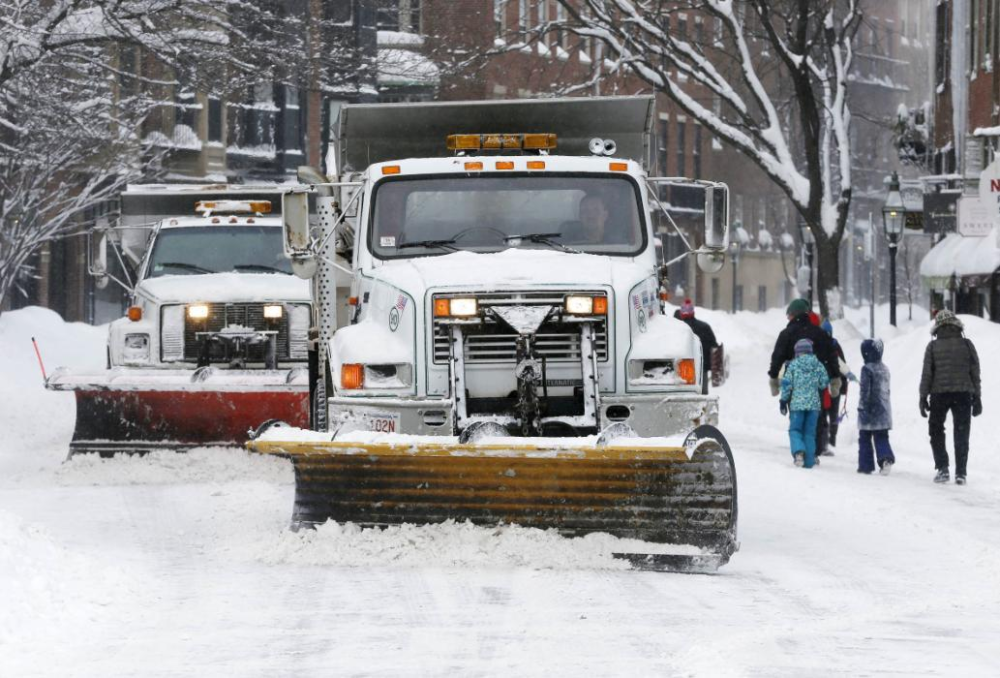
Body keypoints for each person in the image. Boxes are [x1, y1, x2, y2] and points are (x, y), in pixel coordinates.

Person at [918, 310, 982, 485]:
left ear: (937, 327)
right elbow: (974, 372)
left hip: (939, 394)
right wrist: (977, 397)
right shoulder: (967, 344)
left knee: (936, 429)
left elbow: (927, 375)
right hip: (963, 393)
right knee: (962, 432)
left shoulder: (932, 347)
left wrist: (923, 397)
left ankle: (943, 468)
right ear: (956, 325)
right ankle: (961, 473)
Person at [768, 299, 840, 398]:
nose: (788, 317)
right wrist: (834, 378)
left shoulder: (786, 334)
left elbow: (778, 357)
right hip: (816, 383)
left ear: (794, 314)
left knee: (796, 411)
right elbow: (831, 356)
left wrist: (774, 378)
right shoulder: (820, 333)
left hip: (794, 384)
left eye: (789, 314)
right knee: (816, 411)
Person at [779, 338, 830, 468]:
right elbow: (824, 382)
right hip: (814, 406)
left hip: (797, 405)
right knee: (809, 433)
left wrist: (783, 400)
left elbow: (786, 384)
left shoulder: (793, 365)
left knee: (795, 430)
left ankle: (799, 453)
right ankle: (809, 461)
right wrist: (816, 385)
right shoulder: (818, 365)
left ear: (798, 352)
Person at [816, 319, 855, 455]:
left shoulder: (818, 345)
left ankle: (824, 441)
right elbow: (842, 364)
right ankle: (831, 440)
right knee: (833, 415)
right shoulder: (834, 345)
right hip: (835, 386)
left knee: (822, 415)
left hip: (822, 386)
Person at [857, 338, 895, 475]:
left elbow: (865, 391)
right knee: (881, 437)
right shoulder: (885, 369)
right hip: (883, 410)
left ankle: (865, 465)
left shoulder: (866, 369)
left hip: (869, 410)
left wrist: (863, 407)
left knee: (864, 437)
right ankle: (885, 459)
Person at [673, 299, 718, 387]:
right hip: (702, 368)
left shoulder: (676, 329)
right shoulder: (705, 327)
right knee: (702, 396)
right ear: (693, 312)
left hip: (680, 370)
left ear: (682, 314)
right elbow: (714, 347)